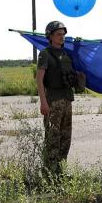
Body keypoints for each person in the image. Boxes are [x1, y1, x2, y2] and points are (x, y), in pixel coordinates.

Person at [36, 20, 80, 178]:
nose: (62, 37)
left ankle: (60, 172)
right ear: (50, 36)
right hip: (53, 101)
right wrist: (43, 102)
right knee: (52, 139)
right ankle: (49, 174)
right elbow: (39, 80)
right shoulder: (45, 54)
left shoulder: (67, 54)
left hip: (67, 100)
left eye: (63, 34)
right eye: (58, 34)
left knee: (65, 138)